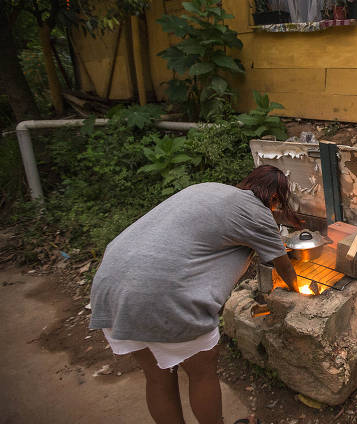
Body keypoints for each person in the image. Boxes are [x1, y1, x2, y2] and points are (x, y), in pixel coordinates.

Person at [89, 165, 299, 424]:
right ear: (275, 198)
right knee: (202, 372)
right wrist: (296, 288)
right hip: (162, 294)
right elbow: (284, 267)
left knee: (157, 377)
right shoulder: (257, 211)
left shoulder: (207, 189)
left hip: (111, 284)